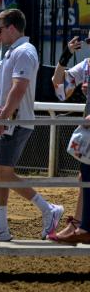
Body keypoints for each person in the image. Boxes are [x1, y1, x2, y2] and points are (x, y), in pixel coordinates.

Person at [0, 9, 63, 241]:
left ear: (11, 28)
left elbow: (19, 88)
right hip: (7, 120)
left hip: (14, 121)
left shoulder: (25, 52)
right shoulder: (12, 52)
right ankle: (2, 226)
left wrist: (3, 117)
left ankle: (48, 209)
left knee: (4, 173)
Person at [50, 33, 90, 241]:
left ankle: (82, 226)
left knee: (85, 176)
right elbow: (60, 88)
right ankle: (79, 225)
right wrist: (65, 56)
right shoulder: (87, 65)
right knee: (84, 176)